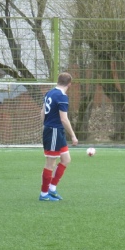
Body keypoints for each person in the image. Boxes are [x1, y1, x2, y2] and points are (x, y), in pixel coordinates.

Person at [39, 72, 78, 201]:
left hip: (56, 131)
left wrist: (45, 124)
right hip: (54, 131)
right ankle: (44, 194)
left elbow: (42, 111)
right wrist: (73, 136)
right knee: (50, 163)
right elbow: (64, 119)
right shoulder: (62, 97)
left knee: (66, 159)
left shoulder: (49, 93)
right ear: (69, 84)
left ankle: (52, 188)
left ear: (58, 81)